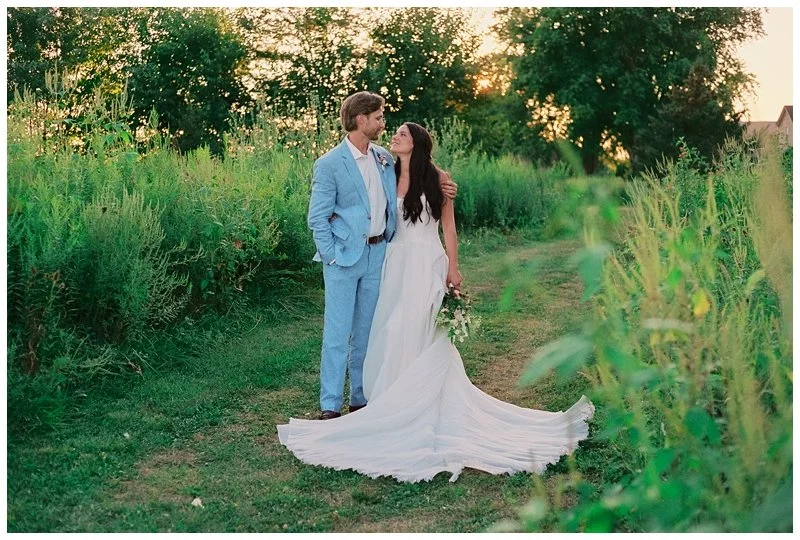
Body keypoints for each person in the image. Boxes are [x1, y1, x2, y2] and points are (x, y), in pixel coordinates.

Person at [277, 122, 594, 483]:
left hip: (426, 261)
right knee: (388, 329)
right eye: (391, 131)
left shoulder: (439, 178)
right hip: (392, 263)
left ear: (418, 144)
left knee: (419, 329)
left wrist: (454, 269)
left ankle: (420, 404)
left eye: (402, 134)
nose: (393, 136)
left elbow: (449, 228)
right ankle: (383, 400)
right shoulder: (385, 167)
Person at [305, 92, 457, 421]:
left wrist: (444, 185)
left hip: (380, 256)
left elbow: (417, 171)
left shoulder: (383, 158)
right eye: (378, 117)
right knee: (337, 333)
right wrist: (331, 255)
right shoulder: (329, 163)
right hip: (343, 259)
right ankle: (330, 405)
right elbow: (317, 218)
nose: (382, 123)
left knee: (368, 332)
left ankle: (361, 398)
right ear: (362, 119)